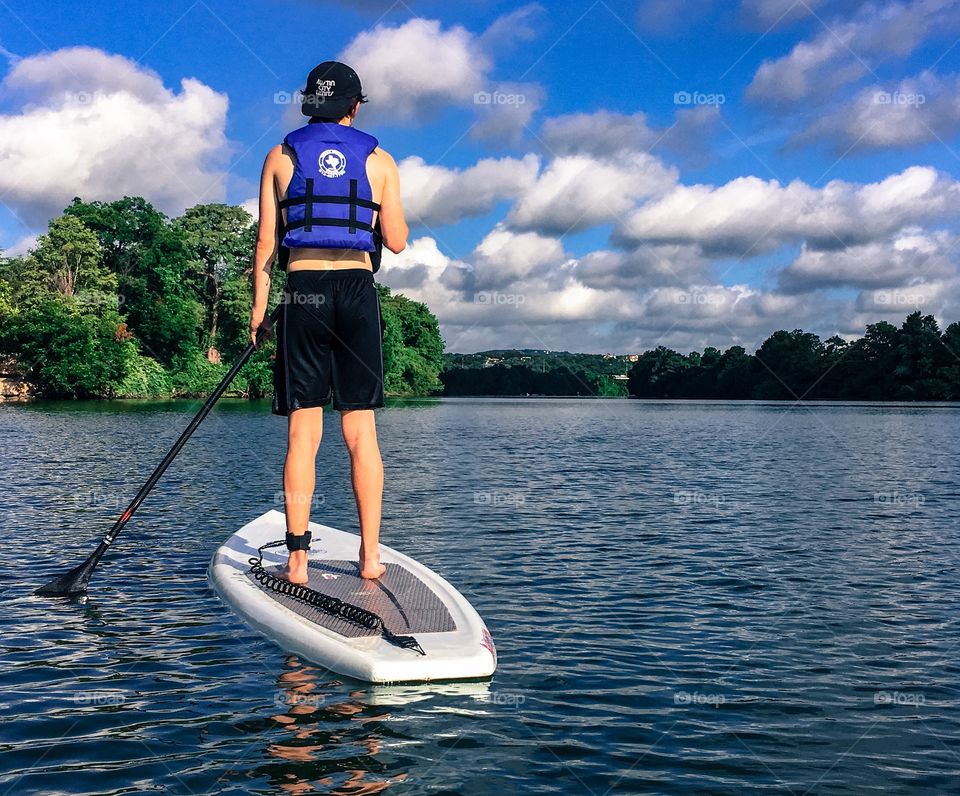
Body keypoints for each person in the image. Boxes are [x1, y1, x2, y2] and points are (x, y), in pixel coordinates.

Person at [248, 61, 408, 584]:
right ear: (355, 107)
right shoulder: (381, 161)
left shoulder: (280, 155)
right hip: (357, 292)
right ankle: (370, 557)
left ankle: (297, 560)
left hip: (303, 291)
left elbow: (266, 245)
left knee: (303, 433)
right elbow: (398, 239)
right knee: (361, 433)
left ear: (309, 105)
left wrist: (259, 313)